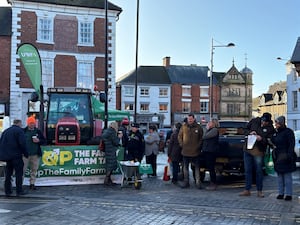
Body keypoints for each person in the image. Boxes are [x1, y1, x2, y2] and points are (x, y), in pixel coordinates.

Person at [239, 112, 275, 198]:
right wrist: (250, 132)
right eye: (262, 120)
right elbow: (244, 130)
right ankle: (247, 189)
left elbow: (270, 140)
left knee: (259, 171)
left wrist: (261, 138)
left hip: (259, 151)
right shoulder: (254, 121)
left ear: (268, 122)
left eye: (265, 122)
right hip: (248, 149)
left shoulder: (270, 128)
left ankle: (259, 190)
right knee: (247, 170)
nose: (263, 123)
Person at [0, 119, 28, 197]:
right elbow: (22, 143)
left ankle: (7, 191)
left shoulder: (6, 131)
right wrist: (26, 154)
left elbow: (1, 143)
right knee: (19, 174)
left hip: (7, 157)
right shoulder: (19, 131)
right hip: (16, 156)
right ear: (19, 123)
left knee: (8, 174)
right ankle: (19, 190)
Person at [271, 116, 296, 201]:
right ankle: (281, 193)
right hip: (278, 156)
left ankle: (288, 194)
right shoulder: (276, 133)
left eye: (277, 123)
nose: (276, 125)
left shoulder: (288, 132)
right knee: (279, 176)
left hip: (286, 155)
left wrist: (289, 155)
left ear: (281, 123)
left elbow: (291, 144)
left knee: (287, 176)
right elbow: (273, 141)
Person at [178, 113, 203, 189]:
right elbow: (179, 136)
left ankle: (198, 182)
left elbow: (201, 138)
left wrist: (198, 146)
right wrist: (182, 145)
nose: (190, 120)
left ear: (194, 119)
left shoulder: (198, 127)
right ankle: (186, 182)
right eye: (189, 119)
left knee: (196, 168)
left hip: (196, 152)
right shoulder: (184, 127)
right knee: (185, 168)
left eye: (191, 119)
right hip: (185, 151)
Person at [23, 116, 46, 190]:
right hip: (25, 155)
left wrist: (39, 141)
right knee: (23, 170)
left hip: (35, 154)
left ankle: (32, 184)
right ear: (28, 123)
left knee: (34, 169)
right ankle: (20, 184)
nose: (32, 124)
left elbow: (45, 141)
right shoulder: (23, 131)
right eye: (30, 123)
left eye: (33, 123)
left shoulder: (38, 131)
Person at [102, 122, 122, 186]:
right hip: (112, 150)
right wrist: (119, 137)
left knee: (109, 164)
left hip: (107, 150)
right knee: (110, 166)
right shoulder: (112, 132)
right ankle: (106, 180)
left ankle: (108, 180)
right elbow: (116, 142)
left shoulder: (106, 131)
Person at [202, 118, 219, 191]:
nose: (208, 123)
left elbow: (204, 136)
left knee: (211, 168)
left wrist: (206, 129)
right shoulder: (211, 130)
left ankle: (213, 183)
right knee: (209, 167)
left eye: (210, 122)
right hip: (208, 150)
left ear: (213, 123)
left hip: (211, 151)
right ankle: (212, 182)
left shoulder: (214, 130)